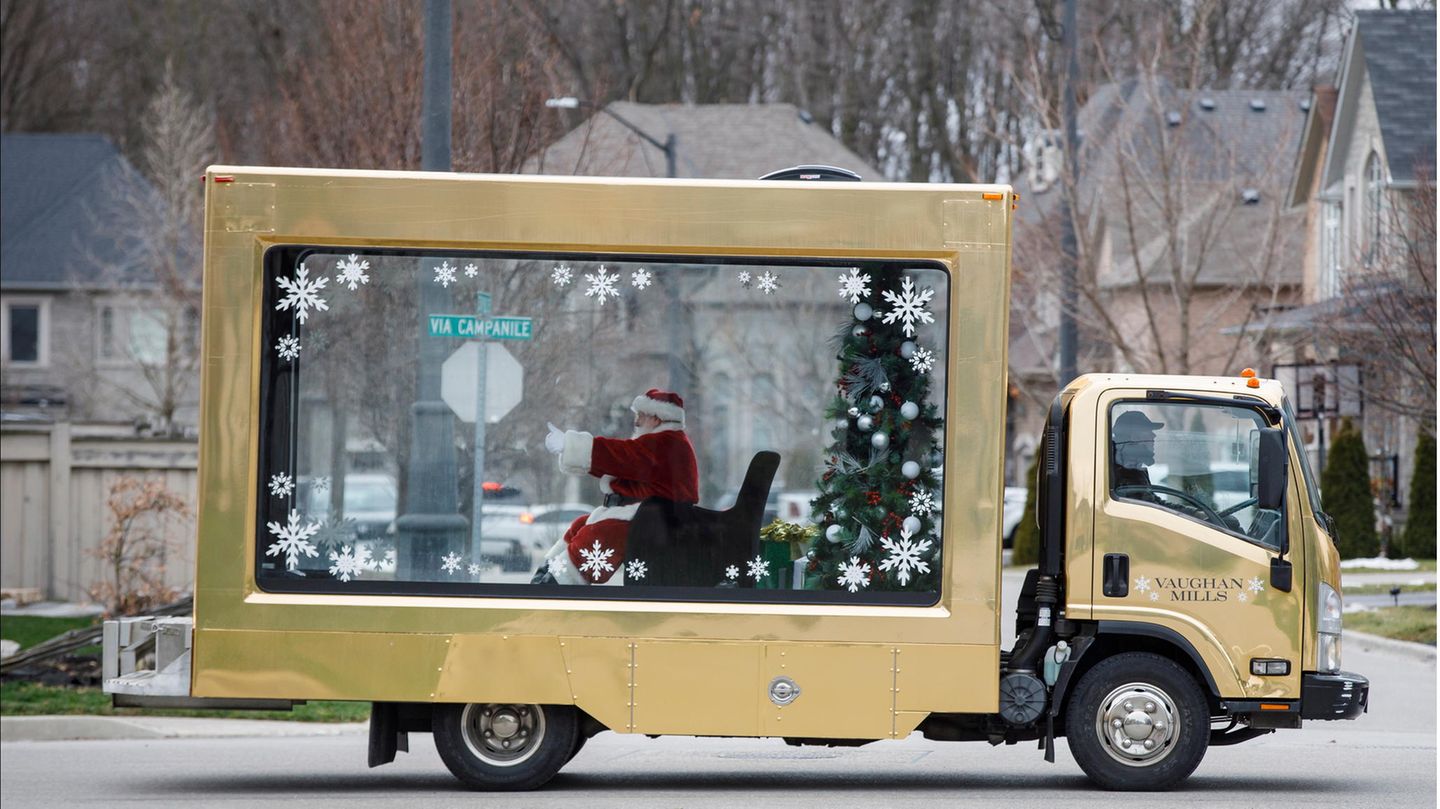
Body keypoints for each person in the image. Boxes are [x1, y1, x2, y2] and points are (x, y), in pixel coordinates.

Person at [538, 389, 699, 584]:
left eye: (641, 415)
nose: (636, 421)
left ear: (657, 419)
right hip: (643, 515)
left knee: (602, 534)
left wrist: (571, 445)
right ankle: (550, 571)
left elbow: (622, 456)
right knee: (581, 524)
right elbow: (620, 464)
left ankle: (558, 582)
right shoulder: (659, 443)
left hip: (654, 519)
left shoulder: (666, 443)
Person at [1111, 410, 1164, 496]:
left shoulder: (1134, 469)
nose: (1154, 435)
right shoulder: (1119, 474)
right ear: (1133, 437)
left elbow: (1153, 502)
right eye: (1148, 431)